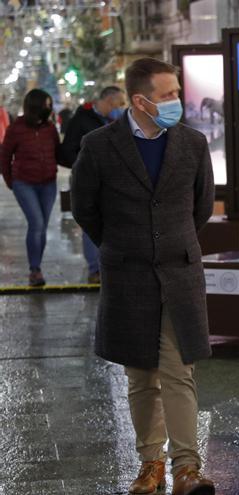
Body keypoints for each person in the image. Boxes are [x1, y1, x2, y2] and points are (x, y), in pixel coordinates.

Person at [71, 58, 215, 495]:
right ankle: (150, 464)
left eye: (176, 93)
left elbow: (201, 207)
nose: (177, 102)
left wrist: (171, 241)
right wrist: (122, 245)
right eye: (168, 95)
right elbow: (85, 208)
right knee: (140, 377)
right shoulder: (99, 146)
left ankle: (187, 468)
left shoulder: (192, 143)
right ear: (140, 100)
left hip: (179, 272)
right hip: (129, 274)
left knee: (179, 371)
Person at [60, 86, 127, 284]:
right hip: (88, 181)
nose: (122, 108)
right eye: (120, 103)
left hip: (115, 181)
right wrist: (86, 168)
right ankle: (95, 269)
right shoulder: (81, 119)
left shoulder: (119, 121)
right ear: (108, 101)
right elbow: (66, 151)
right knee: (91, 222)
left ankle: (113, 265)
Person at [0, 89, 63, 287]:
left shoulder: (50, 128)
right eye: (46, 104)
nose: (49, 108)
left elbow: (58, 151)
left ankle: (37, 265)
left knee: (42, 227)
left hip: (48, 184)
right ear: (36, 106)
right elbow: (4, 156)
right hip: (24, 183)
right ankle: (34, 270)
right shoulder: (16, 128)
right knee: (36, 224)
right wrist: (11, 181)